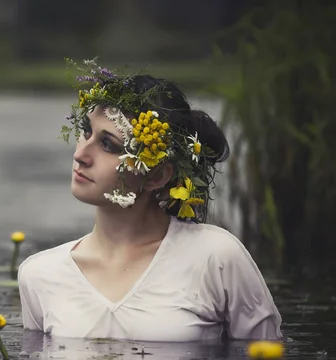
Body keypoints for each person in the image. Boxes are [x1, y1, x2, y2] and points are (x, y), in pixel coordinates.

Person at [17, 59, 282, 342]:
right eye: (86, 132)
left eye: (108, 145)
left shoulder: (215, 257)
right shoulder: (40, 274)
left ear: (155, 176)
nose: (80, 154)